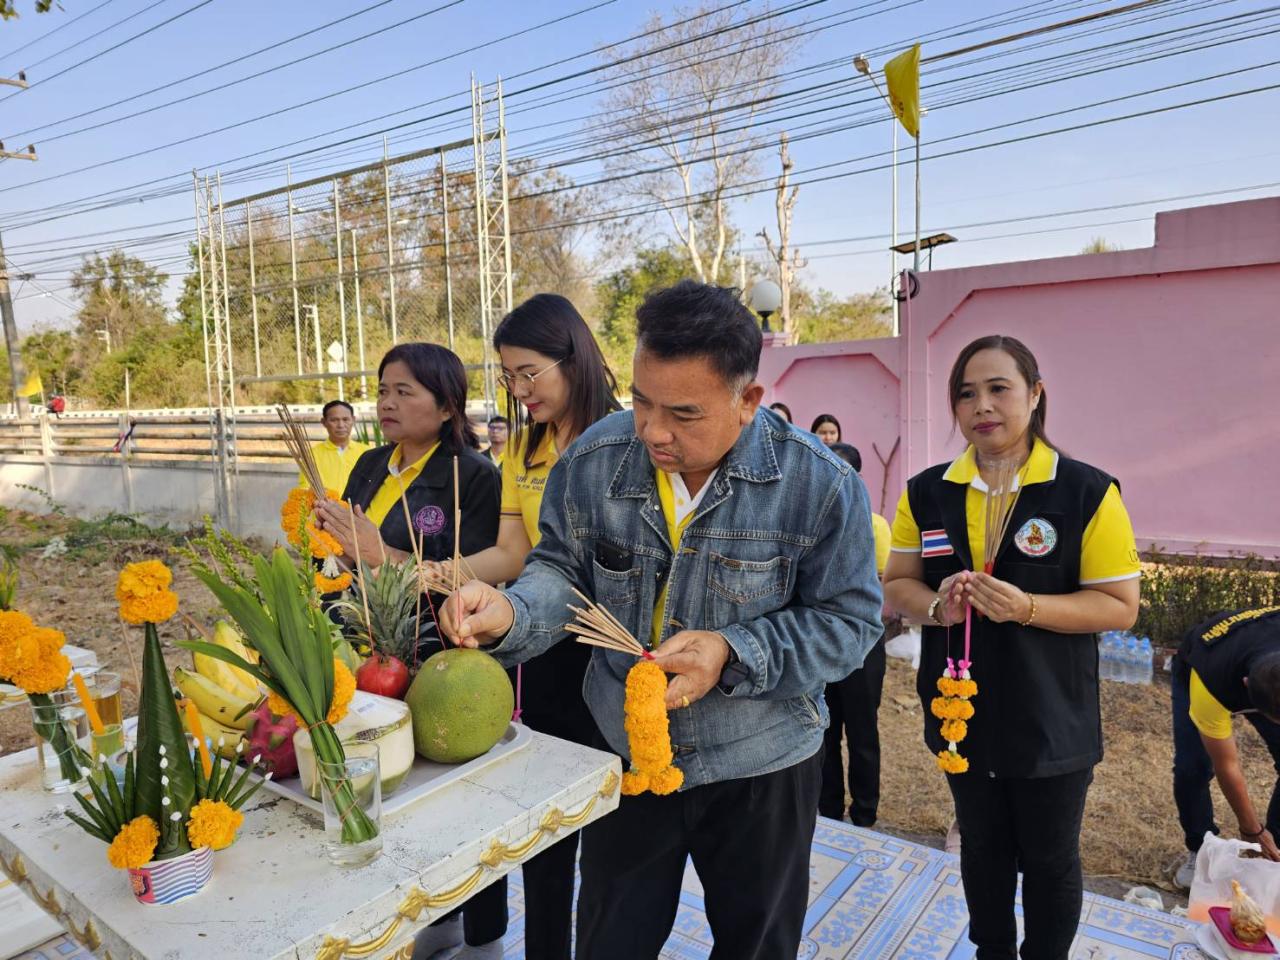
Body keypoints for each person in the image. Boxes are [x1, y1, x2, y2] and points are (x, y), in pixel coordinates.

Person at [438, 280, 884, 960]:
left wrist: (732, 652)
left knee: (756, 943)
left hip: (760, 759)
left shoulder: (820, 486)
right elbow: (561, 573)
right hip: (624, 749)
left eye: (682, 413)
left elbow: (850, 623)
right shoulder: (592, 461)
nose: (652, 431)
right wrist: (511, 610)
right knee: (611, 939)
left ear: (747, 401)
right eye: (641, 401)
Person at [883, 334, 1140, 960]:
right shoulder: (927, 491)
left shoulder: (1084, 491)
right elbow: (898, 584)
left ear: (1035, 395)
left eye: (999, 388)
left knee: (1051, 858)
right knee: (983, 847)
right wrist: (937, 606)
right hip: (959, 709)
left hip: (1051, 715)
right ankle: (991, 950)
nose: (982, 406)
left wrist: (1027, 607)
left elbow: (1118, 605)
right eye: (966, 393)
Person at [428, 293, 621, 960]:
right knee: (543, 821)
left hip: (613, 656)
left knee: (609, 834)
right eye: (507, 376)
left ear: (574, 357)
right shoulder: (527, 449)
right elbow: (513, 554)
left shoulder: (628, 440)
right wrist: (442, 574)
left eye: (528, 372)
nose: (517, 390)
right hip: (539, 644)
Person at [313, 344, 505, 960]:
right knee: (397, 801)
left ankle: (484, 935)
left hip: (439, 656)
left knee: (463, 805)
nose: (386, 403)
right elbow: (347, 555)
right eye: (382, 389)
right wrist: (331, 547)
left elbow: (474, 580)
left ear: (446, 404)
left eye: (404, 392)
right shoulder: (369, 464)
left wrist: (381, 555)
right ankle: (432, 916)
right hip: (366, 654)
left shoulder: (473, 476)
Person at [1170, 608, 1280, 889]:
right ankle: (1201, 851)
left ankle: (1271, 859)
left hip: (1259, 655)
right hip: (1199, 666)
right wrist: (1251, 829)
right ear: (1246, 688)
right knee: (1192, 767)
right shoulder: (1212, 682)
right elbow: (1227, 765)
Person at [818, 441, 890, 826]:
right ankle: (828, 810)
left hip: (862, 645)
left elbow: (877, 581)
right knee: (825, 733)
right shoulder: (813, 522)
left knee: (863, 733)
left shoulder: (875, 525)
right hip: (823, 643)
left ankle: (865, 813)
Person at [301, 400, 370, 495]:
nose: (341, 425)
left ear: (353, 420)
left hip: (358, 509)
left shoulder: (367, 452)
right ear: (324, 422)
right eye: (334, 420)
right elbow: (305, 488)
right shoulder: (312, 455)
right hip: (325, 508)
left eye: (345, 419)